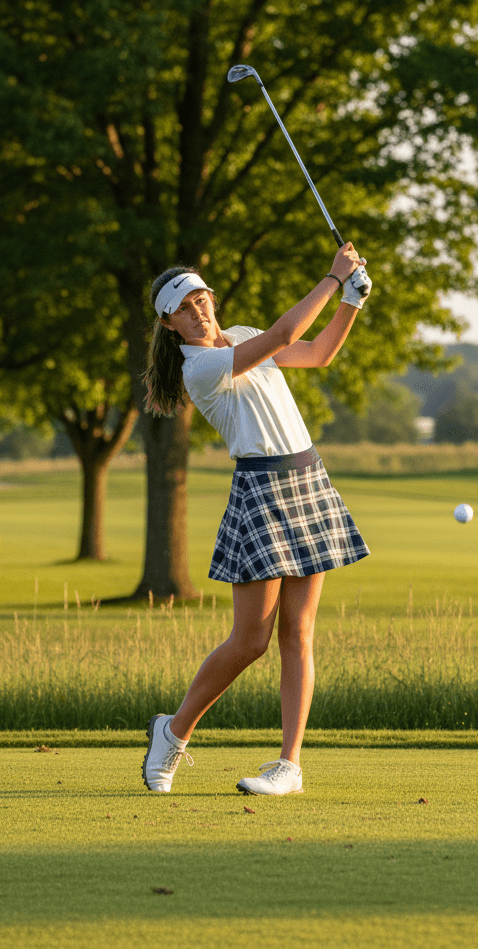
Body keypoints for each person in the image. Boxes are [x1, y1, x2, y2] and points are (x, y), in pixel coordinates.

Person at [141, 243, 372, 795]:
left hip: (308, 480)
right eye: (186, 306)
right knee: (251, 641)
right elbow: (286, 336)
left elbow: (315, 354)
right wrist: (334, 279)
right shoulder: (203, 367)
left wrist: (352, 306)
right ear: (169, 324)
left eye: (203, 298)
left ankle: (289, 766)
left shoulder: (240, 337)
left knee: (299, 633)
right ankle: (172, 733)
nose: (199, 309)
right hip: (261, 490)